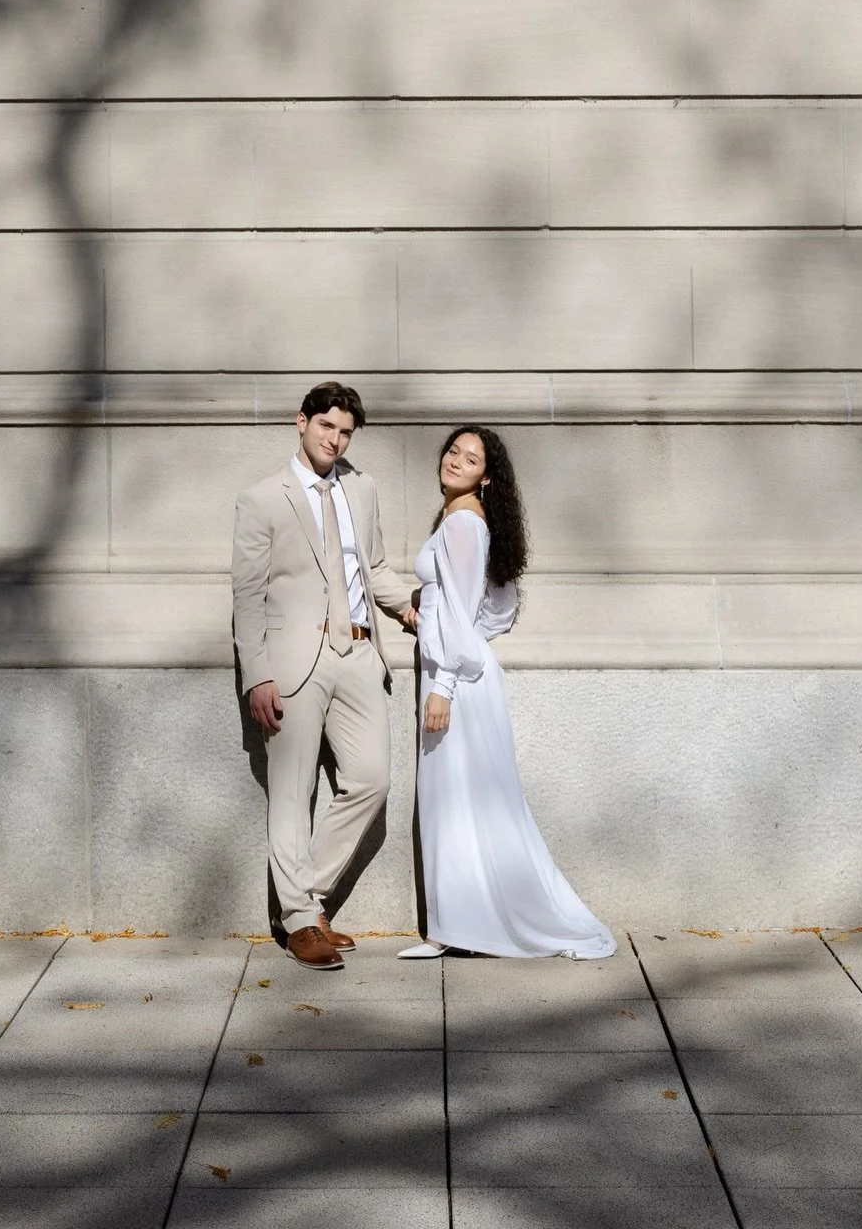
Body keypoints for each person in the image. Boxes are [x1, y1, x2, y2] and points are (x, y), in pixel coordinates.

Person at [398, 425, 616, 961]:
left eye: (470, 459)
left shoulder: (464, 523)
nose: (456, 460)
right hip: (460, 673)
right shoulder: (461, 519)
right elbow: (487, 610)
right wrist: (423, 616)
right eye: (453, 451)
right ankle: (457, 927)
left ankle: (461, 929)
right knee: (461, 801)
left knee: (460, 801)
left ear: (486, 476)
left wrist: (444, 683)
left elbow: (465, 608)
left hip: (456, 684)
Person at [232, 381, 418, 970]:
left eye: (344, 432)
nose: (335, 440)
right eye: (326, 427)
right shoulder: (263, 498)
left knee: (371, 780)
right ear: (302, 422)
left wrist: (413, 607)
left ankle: (303, 904)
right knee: (293, 792)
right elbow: (247, 596)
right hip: (293, 663)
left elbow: (376, 566)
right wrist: (257, 675)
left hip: (359, 654)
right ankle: (299, 921)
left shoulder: (362, 488)